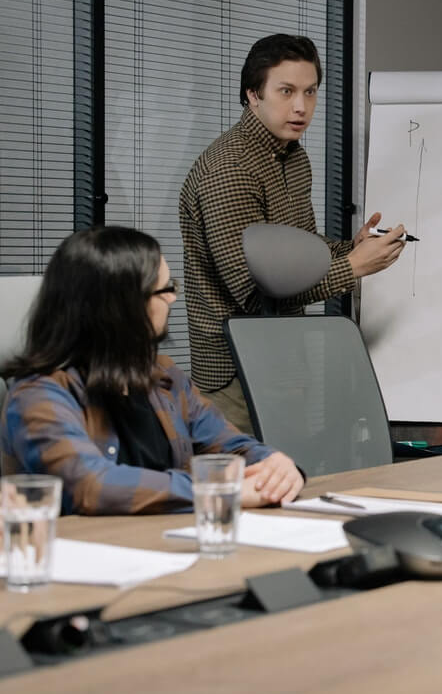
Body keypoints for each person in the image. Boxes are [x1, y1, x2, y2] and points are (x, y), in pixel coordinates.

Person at [180, 33, 406, 431]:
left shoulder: (293, 157)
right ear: (253, 94)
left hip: (283, 360)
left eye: (310, 92)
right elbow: (253, 289)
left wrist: (346, 248)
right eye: (286, 91)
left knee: (294, 484)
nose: (301, 107)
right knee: (246, 488)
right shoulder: (229, 169)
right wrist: (351, 267)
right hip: (234, 370)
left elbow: (297, 250)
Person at [0, 226, 304, 515]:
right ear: (122, 306)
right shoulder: (38, 394)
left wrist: (276, 466)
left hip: (169, 550)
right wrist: (220, 490)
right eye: (165, 289)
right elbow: (90, 484)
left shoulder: (164, 376)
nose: (173, 298)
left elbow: (231, 445)